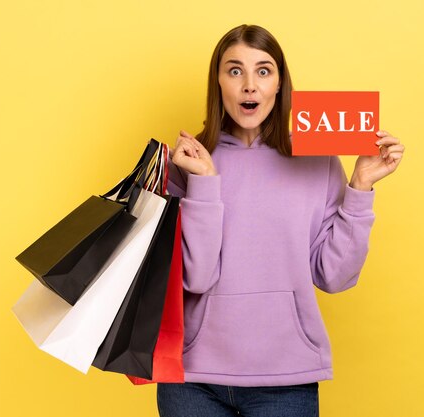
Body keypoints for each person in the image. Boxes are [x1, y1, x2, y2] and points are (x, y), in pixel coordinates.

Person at [157, 24, 405, 417]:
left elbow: (334, 276)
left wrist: (359, 188)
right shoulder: (188, 162)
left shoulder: (318, 159)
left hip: (287, 379)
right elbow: (197, 277)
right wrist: (204, 184)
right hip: (192, 380)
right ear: (218, 82)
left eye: (263, 70)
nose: (249, 85)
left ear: (279, 84)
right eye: (235, 70)